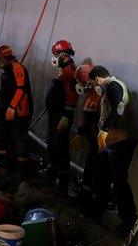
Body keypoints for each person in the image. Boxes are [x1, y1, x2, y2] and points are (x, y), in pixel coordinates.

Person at [91, 65, 137, 230]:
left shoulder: (113, 86)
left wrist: (104, 130)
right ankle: (98, 211)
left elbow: (118, 108)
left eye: (93, 83)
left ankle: (128, 221)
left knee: (119, 182)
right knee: (103, 177)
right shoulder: (112, 86)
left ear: (97, 79)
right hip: (113, 142)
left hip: (121, 142)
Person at [0, 45, 33, 179]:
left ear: (5, 58)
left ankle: (21, 175)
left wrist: (12, 107)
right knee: (1, 140)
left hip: (19, 114)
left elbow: (20, 89)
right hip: (8, 112)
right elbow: (4, 91)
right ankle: (3, 170)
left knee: (19, 142)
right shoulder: (7, 72)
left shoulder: (17, 69)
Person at [44, 40, 78, 192]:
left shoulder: (70, 72)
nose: (55, 57)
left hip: (61, 116)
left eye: (56, 55)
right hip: (55, 115)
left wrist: (65, 116)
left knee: (60, 146)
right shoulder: (63, 71)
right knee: (52, 143)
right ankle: (53, 172)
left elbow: (72, 96)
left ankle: (62, 182)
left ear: (63, 54)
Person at [72, 64, 103, 202]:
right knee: (90, 165)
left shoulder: (99, 98)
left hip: (99, 142)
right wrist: (79, 133)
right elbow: (84, 116)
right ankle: (86, 193)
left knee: (94, 167)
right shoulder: (90, 97)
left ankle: (90, 198)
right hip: (94, 140)